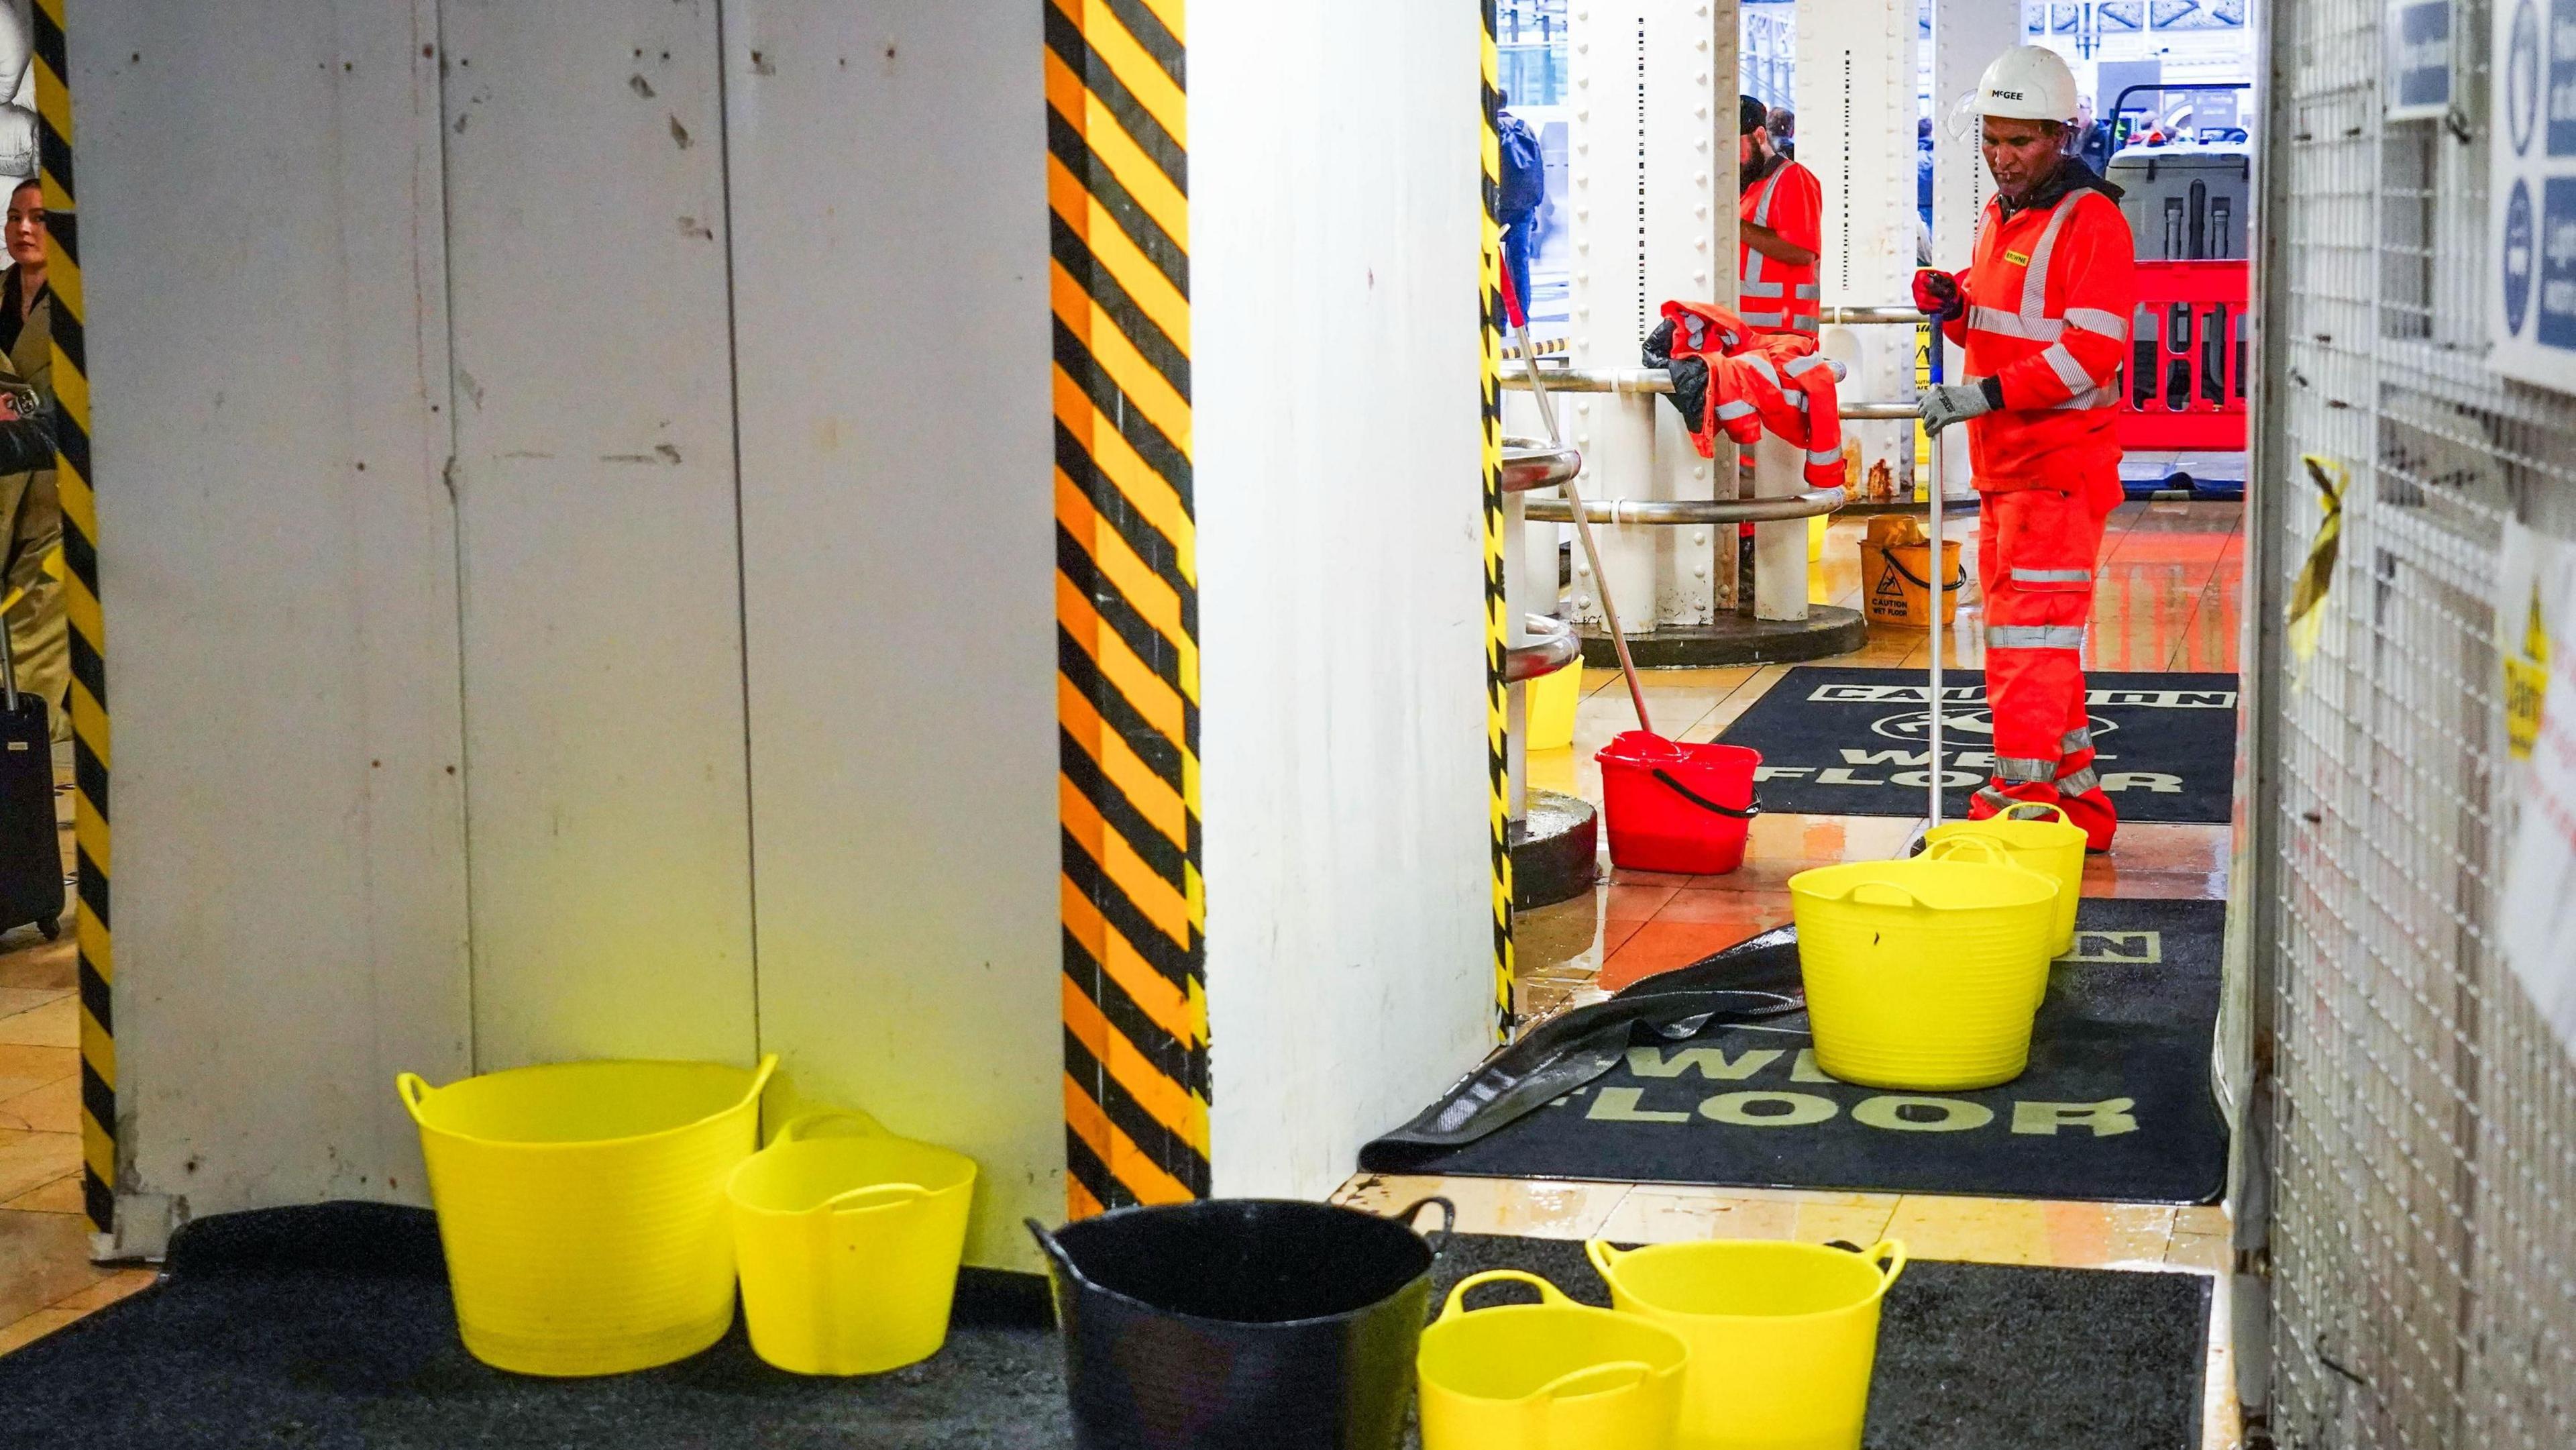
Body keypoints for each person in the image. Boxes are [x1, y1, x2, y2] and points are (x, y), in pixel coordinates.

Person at [1911, 46, 2136, 852]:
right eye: (1992, 142)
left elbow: (2089, 355)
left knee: (2027, 647)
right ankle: (2076, 807)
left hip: (2057, 473)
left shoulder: (2092, 223)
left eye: (2020, 143)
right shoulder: (2002, 217)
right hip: (2008, 471)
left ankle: (2020, 804)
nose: (2002, 159)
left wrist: (1981, 396)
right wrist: (1958, 309)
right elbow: (2006, 332)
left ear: (2059, 137)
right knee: (2033, 641)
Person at [0, 177, 60, 739]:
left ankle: (31, 746)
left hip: (53, 495)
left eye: (37, 218)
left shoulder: (81, 307)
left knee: (38, 615)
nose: (22, 228)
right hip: (0, 484)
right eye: (14, 216)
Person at [1738, 95, 1821, 335]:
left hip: (1782, 339)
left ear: (1760, 136)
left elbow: (1802, 252)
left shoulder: (1793, 179)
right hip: (1750, 337)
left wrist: (1733, 228)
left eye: (1735, 146)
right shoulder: (1747, 187)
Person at [1497, 91, 1546, 322]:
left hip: (1495, 207)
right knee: (1519, 262)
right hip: (1523, 207)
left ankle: (1497, 321)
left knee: (1491, 261)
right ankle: (1522, 319)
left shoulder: (1489, 130)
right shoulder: (1523, 127)